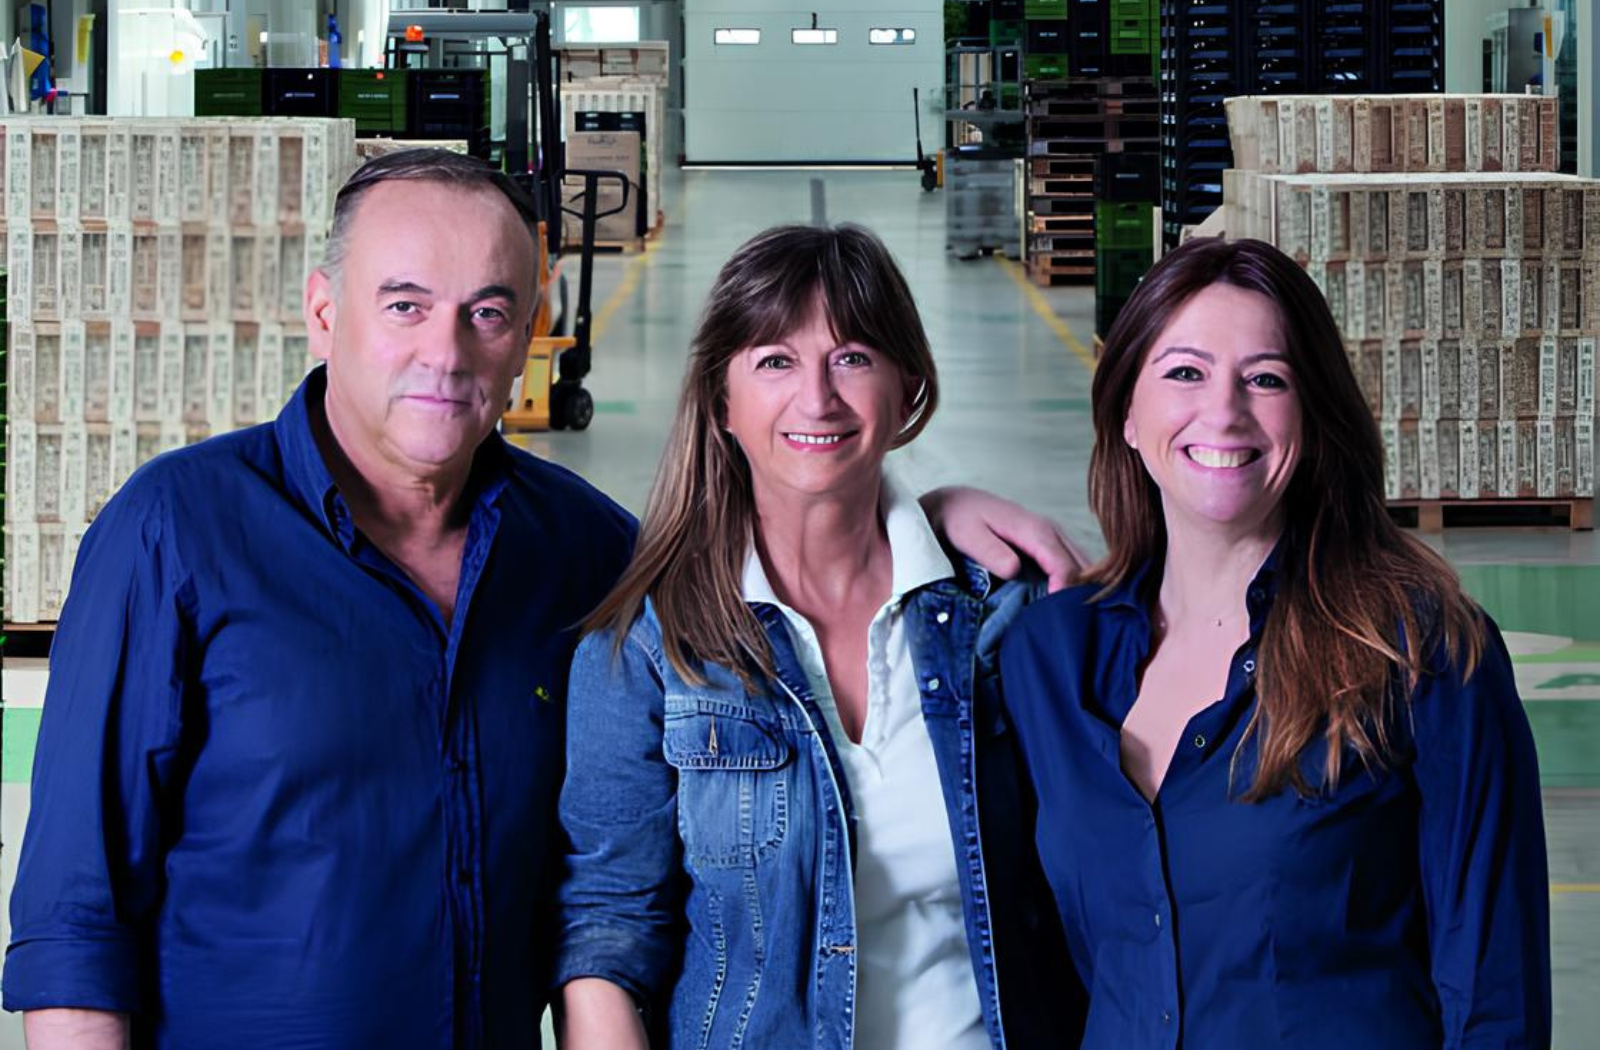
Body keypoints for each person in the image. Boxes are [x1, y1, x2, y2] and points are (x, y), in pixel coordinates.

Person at [3, 151, 1083, 1049]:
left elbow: (766, 547)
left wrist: (926, 517)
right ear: (324, 314)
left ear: (530, 326)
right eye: (404, 305)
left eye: (487, 311)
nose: (446, 351)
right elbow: (75, 917)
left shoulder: (582, 552)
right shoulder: (175, 534)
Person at [999, 237, 1551, 1049]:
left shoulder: (1420, 653)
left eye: (1266, 378)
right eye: (1184, 373)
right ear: (1126, 413)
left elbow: (1496, 998)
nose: (1224, 411)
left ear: (1314, 418)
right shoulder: (1047, 656)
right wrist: (933, 510)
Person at [554, 223, 1082, 1050]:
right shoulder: (647, 655)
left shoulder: (1003, 621)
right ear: (722, 402)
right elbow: (607, 934)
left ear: (908, 389)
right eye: (775, 361)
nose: (818, 397)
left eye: (852, 358)